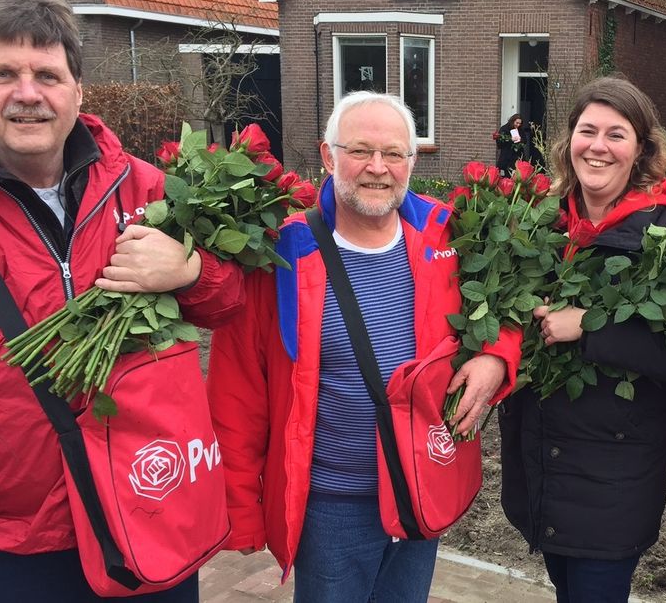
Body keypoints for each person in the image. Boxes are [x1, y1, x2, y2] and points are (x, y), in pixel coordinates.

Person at [206, 91, 520, 603]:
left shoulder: (449, 235)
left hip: (419, 482)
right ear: (328, 156)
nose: (378, 168)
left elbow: (506, 306)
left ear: (412, 163)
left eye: (394, 153)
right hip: (332, 504)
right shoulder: (282, 253)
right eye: (360, 151)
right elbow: (238, 387)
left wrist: (494, 355)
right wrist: (241, 508)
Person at [0, 0, 244, 601]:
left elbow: (230, 302)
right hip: (24, 527)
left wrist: (189, 272)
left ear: (77, 91)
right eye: (2, 74)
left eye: (47, 74)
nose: (27, 93)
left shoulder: (148, 188)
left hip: (151, 497)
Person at [498, 76, 666, 603]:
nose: (598, 145)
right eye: (587, 131)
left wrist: (588, 327)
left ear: (641, 149)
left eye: (617, 134)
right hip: (543, 460)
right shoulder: (538, 224)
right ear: (569, 142)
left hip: (613, 475)